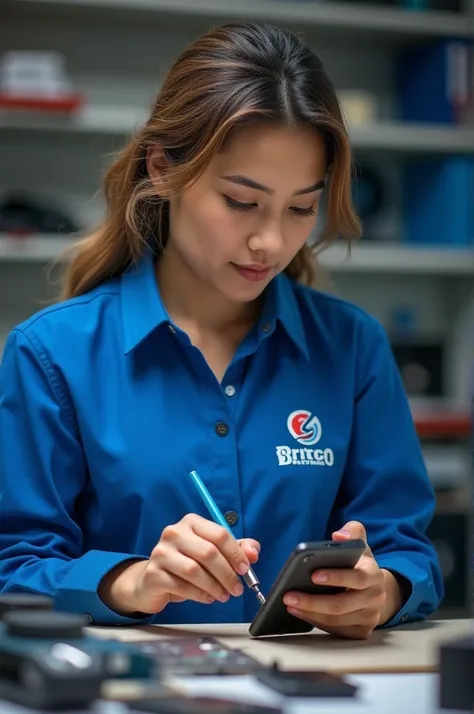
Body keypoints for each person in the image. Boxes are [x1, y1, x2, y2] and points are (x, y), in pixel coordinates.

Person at [0, 21, 443, 640]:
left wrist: (384, 588)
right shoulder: (51, 354)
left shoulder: (352, 347)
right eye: (241, 201)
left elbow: (408, 549)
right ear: (163, 169)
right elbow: (13, 566)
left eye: (300, 208)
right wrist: (131, 582)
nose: (271, 241)